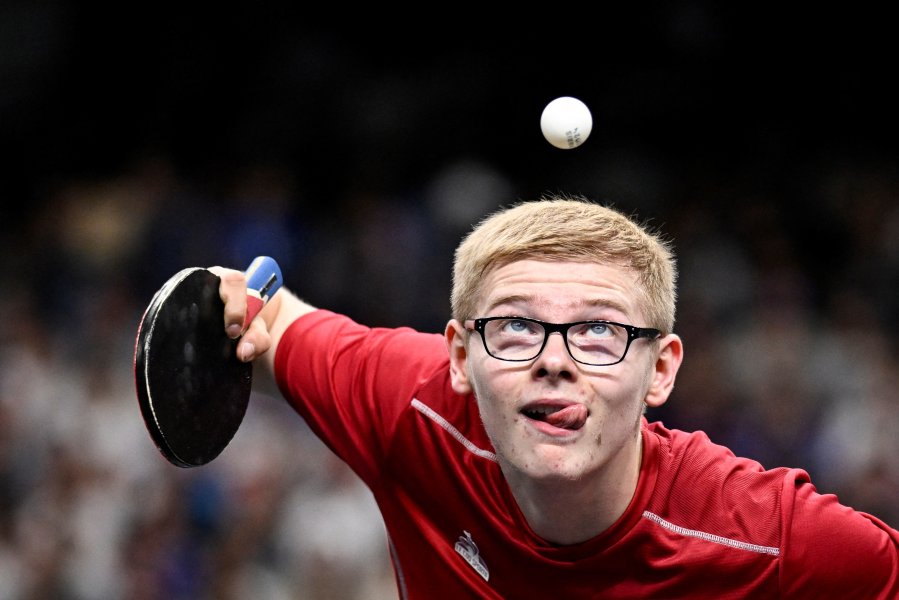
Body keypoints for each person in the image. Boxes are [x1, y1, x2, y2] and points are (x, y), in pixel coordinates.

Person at [212, 193, 899, 598]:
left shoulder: (768, 538)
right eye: (515, 326)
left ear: (659, 370)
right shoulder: (410, 404)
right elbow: (262, 320)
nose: (552, 361)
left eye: (597, 331)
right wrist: (222, 301)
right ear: (458, 355)